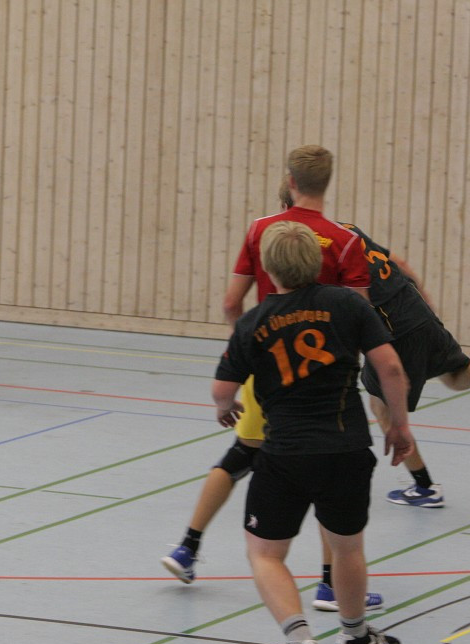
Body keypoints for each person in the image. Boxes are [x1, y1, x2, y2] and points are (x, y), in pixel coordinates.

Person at [163, 145, 383, 614]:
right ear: (329, 179)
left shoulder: (263, 230)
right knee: (329, 463)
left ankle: (188, 545)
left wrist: (246, 346)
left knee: (244, 454)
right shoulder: (344, 241)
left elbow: (230, 303)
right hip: (326, 373)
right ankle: (328, 584)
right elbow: (361, 313)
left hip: (269, 364)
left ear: (290, 179)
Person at [213, 220, 413, 644]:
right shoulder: (346, 304)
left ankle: (300, 643)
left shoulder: (254, 321)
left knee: (265, 554)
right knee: (346, 547)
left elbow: (221, 388)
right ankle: (357, 634)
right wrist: (400, 427)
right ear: (317, 263)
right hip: (346, 447)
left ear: (267, 267)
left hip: (285, 455)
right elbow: (391, 368)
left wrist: (227, 408)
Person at [337, 201, 470, 509]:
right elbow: (397, 262)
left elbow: (354, 302)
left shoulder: (317, 249)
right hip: (413, 306)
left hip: (391, 326)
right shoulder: (347, 229)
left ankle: (425, 487)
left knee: (381, 406)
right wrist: (423, 298)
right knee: (455, 377)